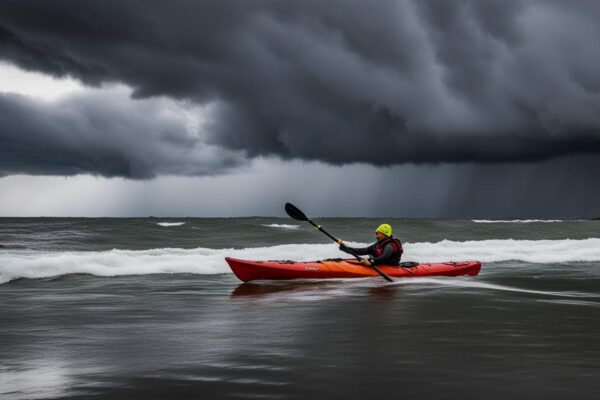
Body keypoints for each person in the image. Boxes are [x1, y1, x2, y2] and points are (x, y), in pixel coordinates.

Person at [338, 223, 403, 266]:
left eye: (377, 233)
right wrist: (344, 247)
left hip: (390, 266)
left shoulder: (390, 246)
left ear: (384, 234)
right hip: (379, 263)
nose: (376, 235)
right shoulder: (378, 244)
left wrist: (371, 261)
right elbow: (363, 251)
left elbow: (384, 257)